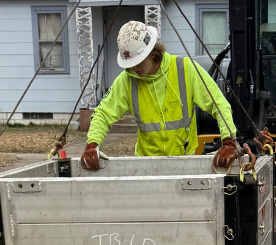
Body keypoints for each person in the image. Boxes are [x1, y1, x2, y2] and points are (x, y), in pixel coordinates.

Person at [81, 20, 240, 170]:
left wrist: (228, 141)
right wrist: (92, 145)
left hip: (184, 162)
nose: (135, 68)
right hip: (145, 165)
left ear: (152, 52)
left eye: (139, 61)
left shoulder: (185, 69)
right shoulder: (127, 80)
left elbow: (218, 103)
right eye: (131, 63)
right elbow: (103, 113)